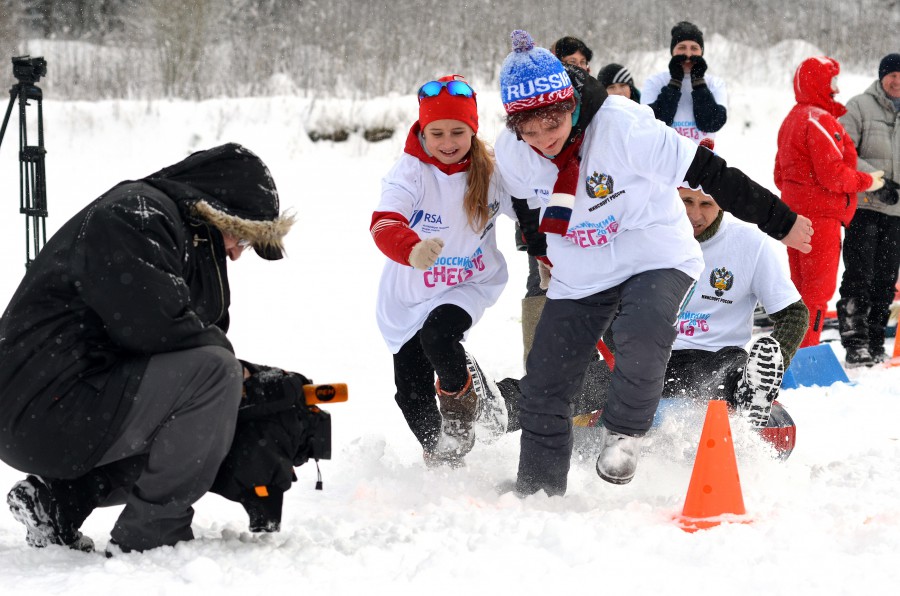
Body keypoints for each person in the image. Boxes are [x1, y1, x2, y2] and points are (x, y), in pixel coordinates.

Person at [493, 30, 812, 495]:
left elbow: (707, 172)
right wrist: (542, 251)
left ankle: (624, 435)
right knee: (547, 377)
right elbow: (524, 204)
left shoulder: (624, 127)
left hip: (655, 253)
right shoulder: (514, 149)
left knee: (643, 331)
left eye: (553, 125)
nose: (543, 141)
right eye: (530, 130)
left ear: (571, 106)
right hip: (582, 267)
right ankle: (538, 489)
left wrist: (778, 220)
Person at [0, 144, 296, 554]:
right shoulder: (134, 215)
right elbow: (154, 327)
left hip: (59, 403)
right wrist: (238, 375)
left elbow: (180, 340)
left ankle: (57, 502)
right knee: (215, 379)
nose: (235, 253)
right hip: (44, 405)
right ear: (216, 210)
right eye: (240, 237)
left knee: (210, 402)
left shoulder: (173, 228)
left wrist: (253, 386)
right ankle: (153, 536)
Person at [500, 182, 809, 435]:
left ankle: (750, 390)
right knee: (568, 383)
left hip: (716, 356)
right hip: (646, 357)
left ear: (723, 206)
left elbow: (794, 314)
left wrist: (777, 357)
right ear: (670, 197)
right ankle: (496, 406)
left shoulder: (750, 244)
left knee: (723, 373)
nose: (695, 215)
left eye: (706, 205)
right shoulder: (642, 236)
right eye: (687, 201)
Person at [370, 75, 508, 468]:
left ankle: (460, 413)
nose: (447, 142)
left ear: (472, 130)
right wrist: (410, 248)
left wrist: (549, 249)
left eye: (457, 132)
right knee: (409, 391)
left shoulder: (493, 172)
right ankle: (441, 452)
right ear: (422, 131)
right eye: (437, 133)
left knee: (439, 336)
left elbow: (533, 214)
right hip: (408, 293)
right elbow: (383, 223)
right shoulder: (410, 172)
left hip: (468, 282)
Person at [775, 56, 884, 348]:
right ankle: (806, 351)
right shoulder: (819, 119)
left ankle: (791, 348)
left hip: (793, 217)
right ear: (818, 82)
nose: (836, 89)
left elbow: (779, 175)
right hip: (820, 218)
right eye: (831, 81)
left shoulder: (792, 119)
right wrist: (867, 181)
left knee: (797, 289)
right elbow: (833, 175)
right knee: (817, 292)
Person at [516, 35, 597, 364]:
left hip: (588, 218)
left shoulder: (593, 106)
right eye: (567, 63)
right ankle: (535, 361)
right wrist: (530, 236)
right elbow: (519, 176)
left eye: (580, 64)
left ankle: (592, 371)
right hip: (543, 220)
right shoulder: (537, 108)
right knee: (539, 287)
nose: (574, 69)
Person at [835, 53, 900, 366]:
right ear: (881, 76)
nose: (897, 81)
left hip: (896, 213)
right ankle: (855, 343)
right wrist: (877, 182)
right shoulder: (859, 105)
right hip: (864, 206)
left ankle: (875, 342)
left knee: (886, 280)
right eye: (892, 75)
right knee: (860, 274)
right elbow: (843, 152)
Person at [641, 21, 727, 145]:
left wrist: (699, 83)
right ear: (672, 52)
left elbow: (711, 124)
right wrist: (675, 82)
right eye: (682, 48)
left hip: (703, 161)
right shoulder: (654, 82)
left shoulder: (715, 83)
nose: (688, 54)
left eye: (694, 48)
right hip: (666, 160)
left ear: (701, 53)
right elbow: (650, 125)